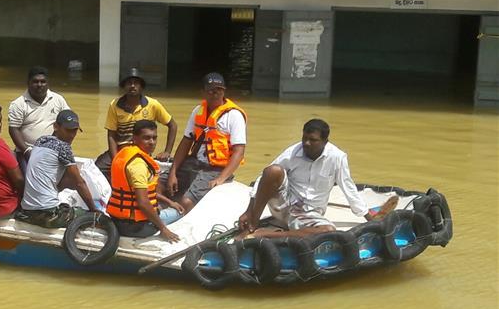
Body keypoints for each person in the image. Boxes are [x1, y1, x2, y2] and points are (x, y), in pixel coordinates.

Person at [238, 119, 396, 239]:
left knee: (328, 231)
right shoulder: (293, 151)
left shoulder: (337, 158)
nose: (306, 143)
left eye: (312, 140)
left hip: (309, 213)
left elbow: (348, 187)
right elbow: (263, 178)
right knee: (272, 171)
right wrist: (249, 210)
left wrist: (368, 217)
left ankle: (269, 235)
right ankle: (253, 225)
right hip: (285, 202)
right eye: (304, 138)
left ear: (325, 142)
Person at [165, 72, 247, 214]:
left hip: (216, 169)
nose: (215, 94)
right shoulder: (198, 111)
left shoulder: (234, 115)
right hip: (194, 162)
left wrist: (221, 179)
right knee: (160, 183)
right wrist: (173, 172)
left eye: (219, 90)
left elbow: (239, 152)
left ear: (224, 91)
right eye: (211, 90)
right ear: (203, 92)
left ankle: (177, 224)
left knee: (186, 201)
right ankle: (157, 212)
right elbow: (186, 141)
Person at [16, 110, 99, 229]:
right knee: (85, 214)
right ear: (55, 126)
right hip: (48, 214)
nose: (72, 135)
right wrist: (93, 210)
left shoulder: (40, 141)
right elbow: (79, 183)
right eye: (68, 130)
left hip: (27, 210)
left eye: (74, 130)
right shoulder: (63, 147)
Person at [107, 120, 184, 241]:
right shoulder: (138, 165)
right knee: (179, 213)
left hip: (117, 220)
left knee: (168, 206)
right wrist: (163, 229)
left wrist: (169, 202)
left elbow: (140, 193)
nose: (152, 142)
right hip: (137, 227)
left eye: (154, 138)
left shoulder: (124, 154)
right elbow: (143, 202)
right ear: (135, 138)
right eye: (146, 138)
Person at [94, 69, 177, 178]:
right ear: (124, 86)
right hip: (120, 150)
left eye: (136, 83)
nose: (132, 86)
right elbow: (111, 135)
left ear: (141, 86)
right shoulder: (114, 105)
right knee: (96, 169)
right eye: (129, 83)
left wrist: (167, 151)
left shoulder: (153, 105)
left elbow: (172, 125)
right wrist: (116, 160)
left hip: (142, 151)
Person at [8, 66, 70, 169]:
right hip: (27, 152)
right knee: (28, 181)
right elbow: (14, 129)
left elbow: (67, 119)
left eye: (43, 81)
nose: (39, 85)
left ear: (48, 83)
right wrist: (28, 151)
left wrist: (59, 145)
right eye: (35, 82)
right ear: (28, 83)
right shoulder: (18, 104)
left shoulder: (58, 99)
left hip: (54, 150)